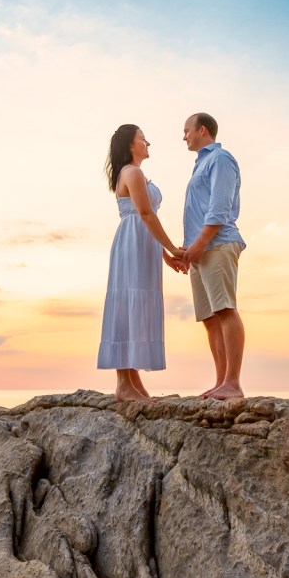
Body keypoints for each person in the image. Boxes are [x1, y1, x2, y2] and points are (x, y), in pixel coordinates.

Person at [98, 124, 184, 401]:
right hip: (133, 241)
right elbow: (145, 214)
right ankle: (124, 384)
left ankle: (134, 383)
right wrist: (172, 247)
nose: (148, 143)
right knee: (127, 304)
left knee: (137, 305)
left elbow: (146, 219)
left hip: (142, 242)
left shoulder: (134, 173)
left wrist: (165, 257)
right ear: (130, 145)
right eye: (143, 139)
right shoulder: (132, 173)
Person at [178, 112, 246, 400]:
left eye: (187, 130)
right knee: (209, 318)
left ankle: (233, 383)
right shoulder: (201, 164)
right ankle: (221, 383)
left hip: (217, 244)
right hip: (200, 250)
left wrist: (201, 243)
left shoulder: (220, 159)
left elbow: (220, 206)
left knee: (225, 310)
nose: (184, 136)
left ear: (202, 130)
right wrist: (187, 249)